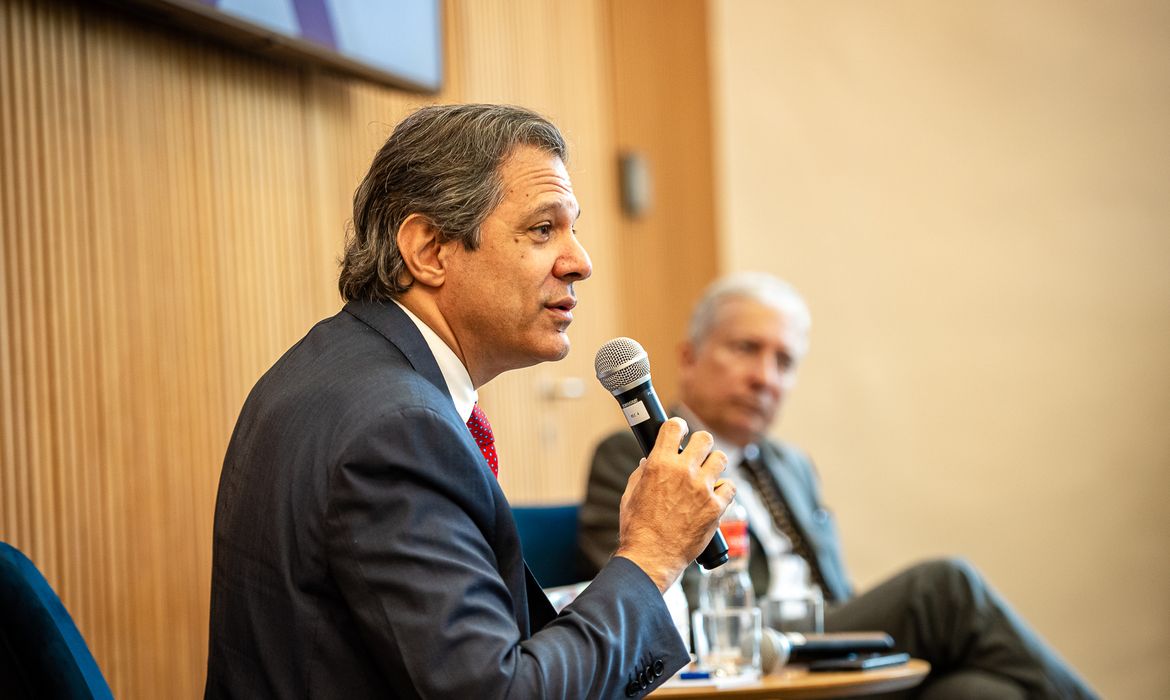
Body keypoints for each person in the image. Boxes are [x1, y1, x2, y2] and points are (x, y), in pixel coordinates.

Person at [204, 104, 734, 699]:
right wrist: (652, 555)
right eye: (542, 229)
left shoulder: (330, 374)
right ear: (429, 251)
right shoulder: (398, 427)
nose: (580, 262)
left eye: (574, 227)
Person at [578, 272, 1099, 699]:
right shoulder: (636, 455)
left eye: (784, 362)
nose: (765, 377)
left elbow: (837, 591)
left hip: (831, 656)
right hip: (746, 653)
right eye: (746, 349)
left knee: (982, 693)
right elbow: (647, 596)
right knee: (946, 587)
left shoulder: (790, 465)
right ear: (689, 358)